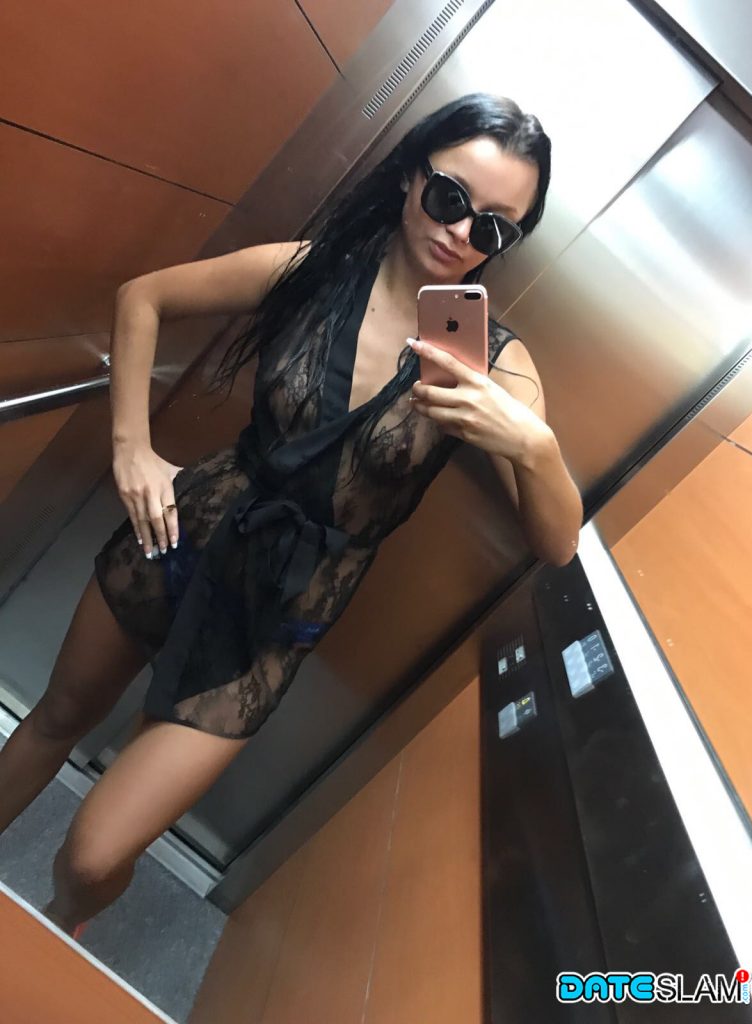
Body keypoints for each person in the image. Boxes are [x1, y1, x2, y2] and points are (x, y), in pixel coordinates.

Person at [0, 93, 582, 936]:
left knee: (92, 856)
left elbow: (557, 543)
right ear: (411, 176)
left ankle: (57, 935)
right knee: (56, 717)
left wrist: (532, 446)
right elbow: (143, 298)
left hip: (275, 617)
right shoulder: (311, 269)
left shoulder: (495, 363)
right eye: (450, 197)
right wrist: (131, 447)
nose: (461, 233)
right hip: (181, 534)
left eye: (492, 227)